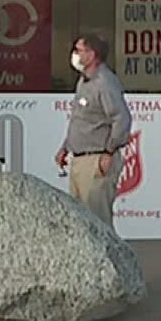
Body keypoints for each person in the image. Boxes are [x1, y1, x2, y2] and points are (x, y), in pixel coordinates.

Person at [53, 34, 133, 229]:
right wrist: (66, 147)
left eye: (79, 50)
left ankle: (106, 259)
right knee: (80, 220)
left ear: (92, 54)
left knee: (97, 222)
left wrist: (109, 152)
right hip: (79, 159)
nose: (75, 55)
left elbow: (121, 118)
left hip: (95, 159)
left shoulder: (105, 82)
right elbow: (81, 119)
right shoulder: (84, 82)